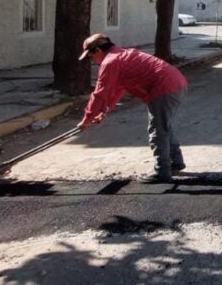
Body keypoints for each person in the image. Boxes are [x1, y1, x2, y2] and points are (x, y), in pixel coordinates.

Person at [77, 33, 189, 183]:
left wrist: (86, 120)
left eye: (90, 57)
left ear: (97, 51)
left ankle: (162, 171)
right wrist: (105, 110)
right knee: (162, 125)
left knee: (157, 129)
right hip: (174, 83)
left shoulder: (110, 62)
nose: (92, 61)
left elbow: (99, 94)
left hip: (164, 87)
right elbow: (119, 88)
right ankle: (176, 162)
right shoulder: (119, 55)